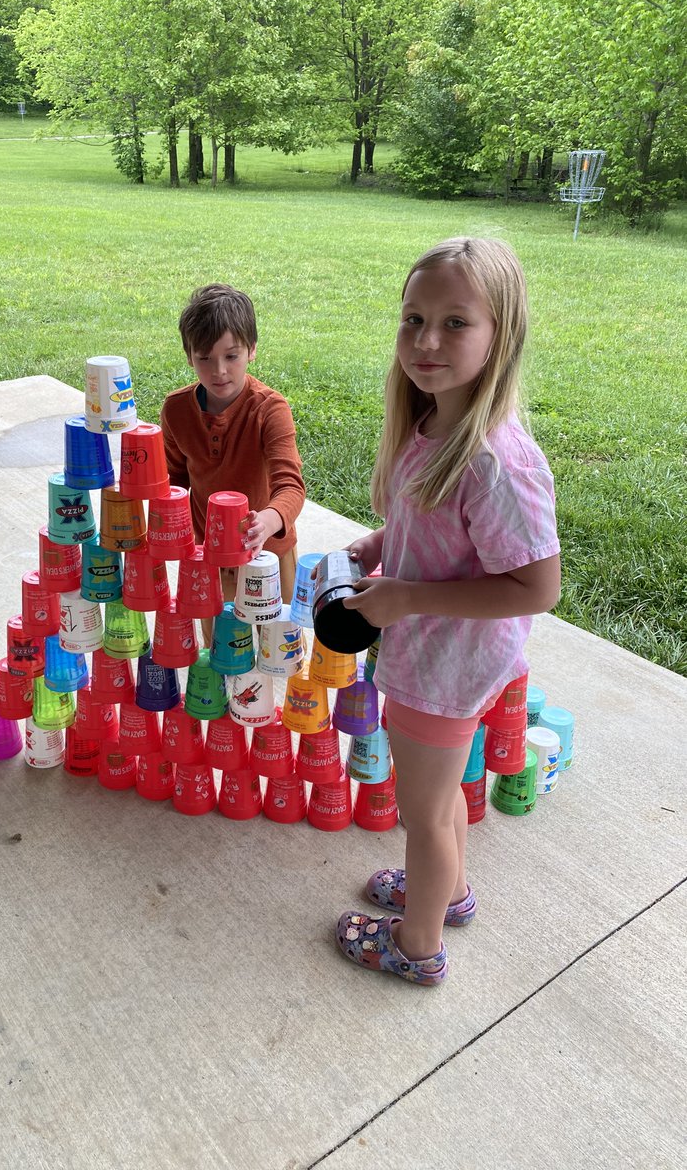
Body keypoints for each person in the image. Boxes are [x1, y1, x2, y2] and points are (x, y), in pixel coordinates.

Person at [334, 237, 561, 985]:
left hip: (449, 660)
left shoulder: (496, 460)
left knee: (422, 812)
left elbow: (536, 588)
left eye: (456, 323)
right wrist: (384, 546)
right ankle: (451, 892)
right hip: (430, 647)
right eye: (413, 319)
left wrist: (405, 597)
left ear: (502, 335)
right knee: (439, 796)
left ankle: (417, 946)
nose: (427, 341)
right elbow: (435, 531)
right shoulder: (431, 425)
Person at [160, 283, 306, 642]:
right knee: (221, 651)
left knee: (278, 648)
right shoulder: (176, 410)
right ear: (188, 355)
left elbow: (290, 485)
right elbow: (174, 482)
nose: (219, 370)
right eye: (204, 358)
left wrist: (268, 521)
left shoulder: (270, 410)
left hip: (268, 555)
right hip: (208, 558)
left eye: (232, 355)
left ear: (252, 350)